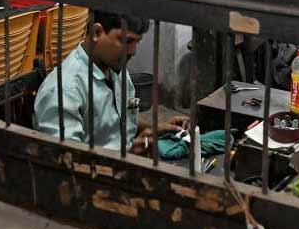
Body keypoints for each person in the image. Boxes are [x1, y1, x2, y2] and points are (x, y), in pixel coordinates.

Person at [34, 11, 187, 154]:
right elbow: (66, 161)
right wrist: (127, 154)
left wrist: (156, 128)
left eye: (137, 42)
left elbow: (119, 119)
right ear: (97, 33)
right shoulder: (64, 91)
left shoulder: (114, 69)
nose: (133, 51)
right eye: (127, 41)